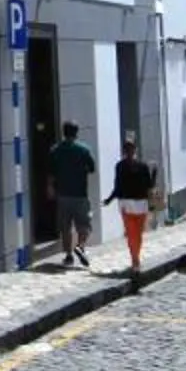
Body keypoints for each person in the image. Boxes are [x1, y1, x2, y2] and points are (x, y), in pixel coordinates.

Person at [48, 121, 99, 267]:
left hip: (63, 194)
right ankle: (80, 246)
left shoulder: (55, 150)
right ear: (76, 133)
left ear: (64, 132)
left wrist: (50, 187)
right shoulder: (84, 150)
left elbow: (51, 172)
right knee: (84, 224)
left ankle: (69, 255)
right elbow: (92, 168)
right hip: (80, 194)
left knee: (65, 227)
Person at [111, 133, 158, 282]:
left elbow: (118, 186)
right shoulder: (142, 166)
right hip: (136, 204)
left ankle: (135, 259)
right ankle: (135, 260)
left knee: (133, 234)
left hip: (130, 204)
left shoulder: (122, 166)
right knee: (136, 234)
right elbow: (150, 186)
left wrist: (110, 198)